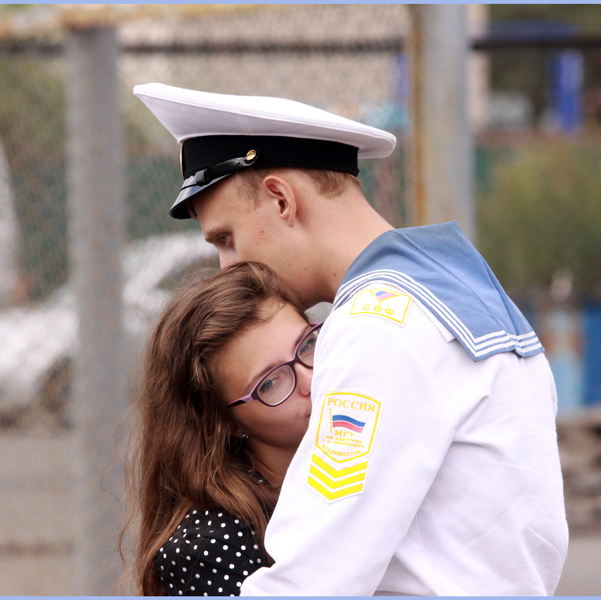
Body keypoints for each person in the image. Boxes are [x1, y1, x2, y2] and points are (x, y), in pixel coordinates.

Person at [134, 83, 569, 595]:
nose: (227, 269)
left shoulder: (377, 326)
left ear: (280, 199)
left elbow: (315, 580)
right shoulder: (462, 292)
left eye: (226, 239)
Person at [121, 261, 322, 596]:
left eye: (308, 345)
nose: (311, 379)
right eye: (270, 382)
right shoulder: (211, 549)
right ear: (225, 422)